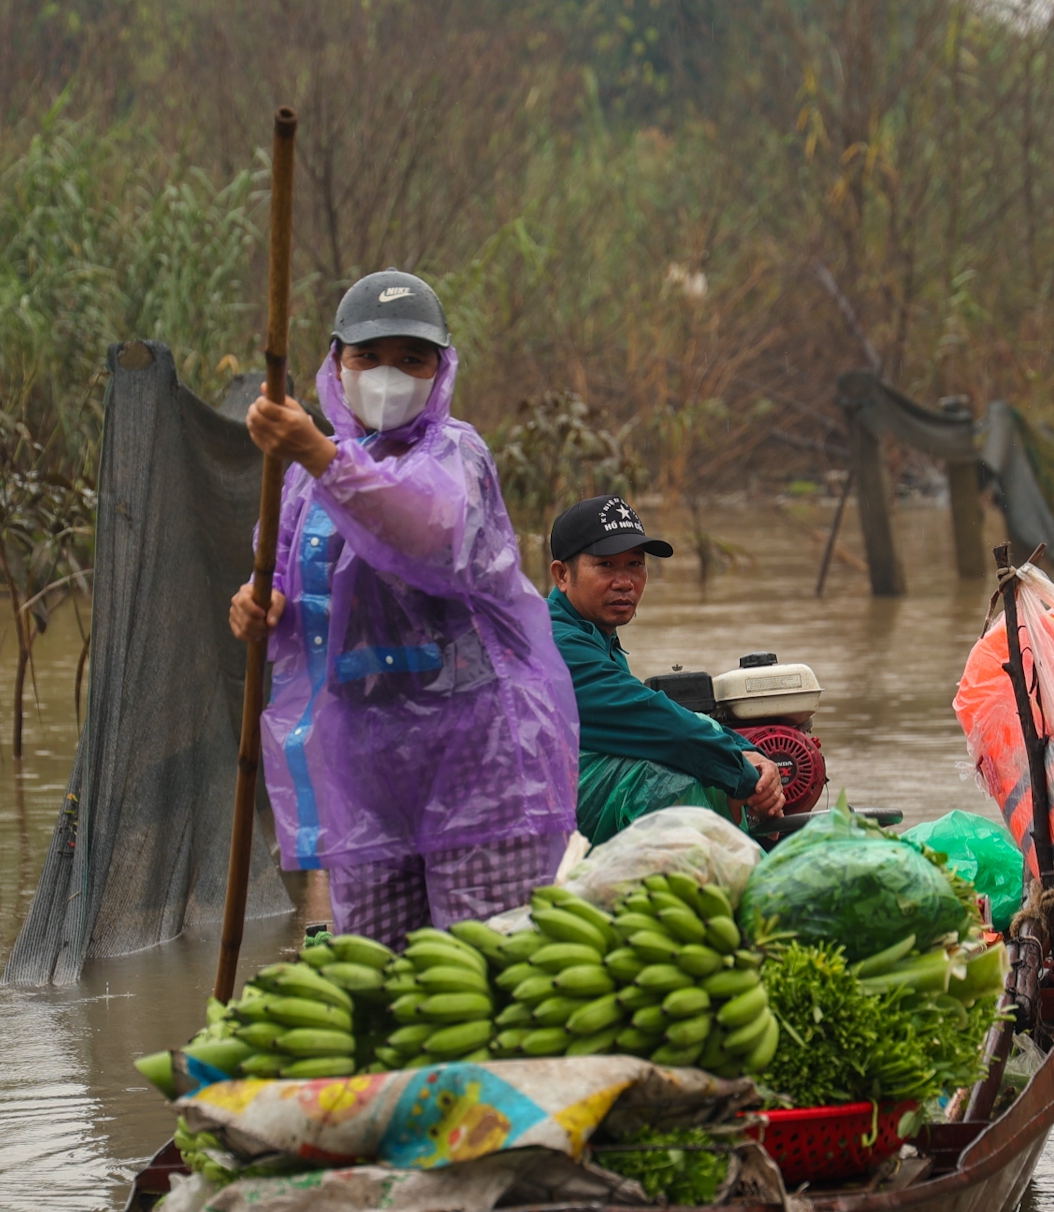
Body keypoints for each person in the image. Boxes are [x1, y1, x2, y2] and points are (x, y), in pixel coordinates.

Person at [229, 269, 577, 950]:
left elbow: (427, 533)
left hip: (480, 760)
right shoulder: (299, 482)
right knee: (378, 971)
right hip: (364, 767)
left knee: (480, 967)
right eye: (370, 357)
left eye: (411, 358)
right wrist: (257, 610)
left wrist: (318, 452)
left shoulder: (456, 455)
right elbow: (288, 600)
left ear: (440, 368)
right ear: (337, 363)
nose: (389, 374)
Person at [541, 494, 785, 844]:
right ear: (562, 575)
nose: (624, 581)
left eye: (635, 564)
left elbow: (655, 716)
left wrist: (750, 753)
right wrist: (748, 775)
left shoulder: (595, 636)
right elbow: (654, 722)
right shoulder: (554, 643)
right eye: (606, 566)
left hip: (558, 795)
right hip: (528, 809)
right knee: (658, 779)